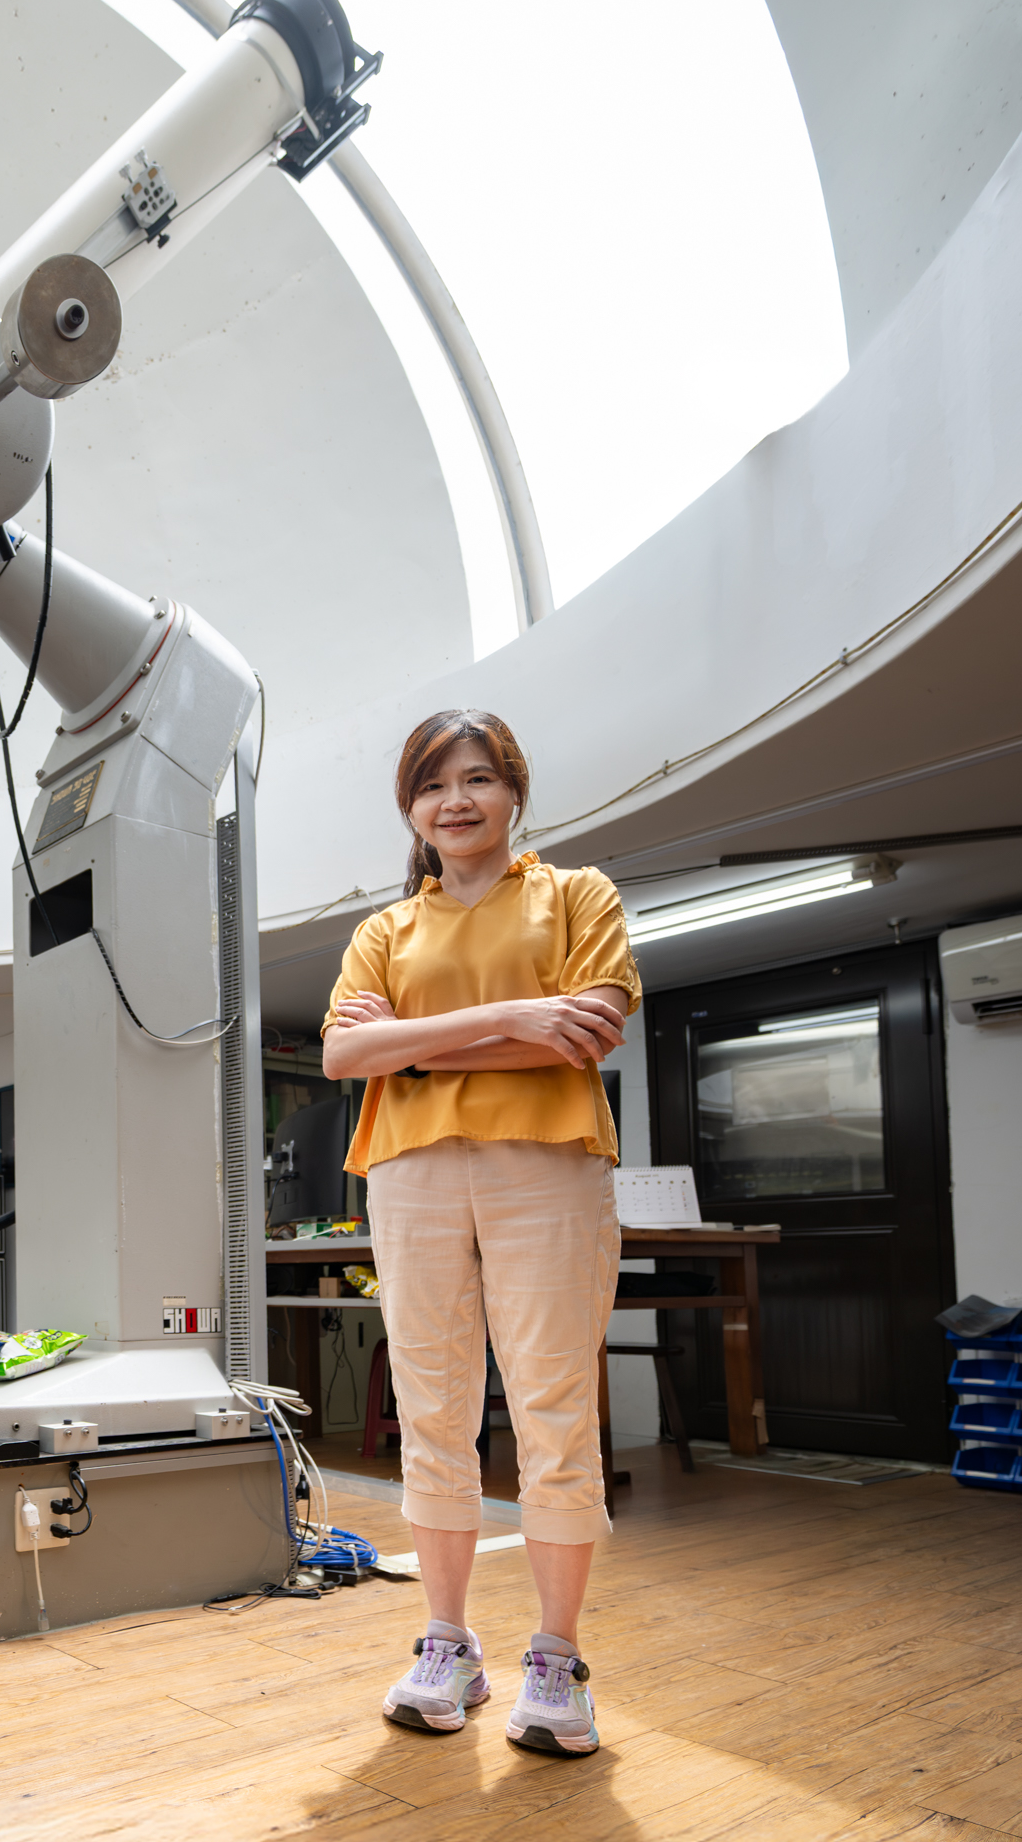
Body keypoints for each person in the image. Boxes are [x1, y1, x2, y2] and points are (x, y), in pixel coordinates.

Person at [319, 707, 638, 1759]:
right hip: (410, 1176)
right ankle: (446, 1640)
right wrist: (514, 1021)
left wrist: (409, 1045)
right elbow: (339, 1057)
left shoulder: (575, 894)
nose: (454, 800)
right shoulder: (385, 929)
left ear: (513, 790)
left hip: (547, 1165)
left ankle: (557, 1657)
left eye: (476, 779)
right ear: (412, 807)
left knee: (552, 1403)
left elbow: (586, 1025)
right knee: (432, 1406)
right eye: (431, 785)